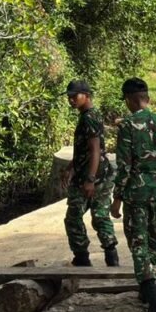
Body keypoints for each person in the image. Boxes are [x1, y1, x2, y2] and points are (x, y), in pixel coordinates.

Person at [110, 78, 156, 312]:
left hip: (137, 195)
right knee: (152, 239)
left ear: (129, 100)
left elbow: (125, 166)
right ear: (147, 98)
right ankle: (146, 290)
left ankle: (154, 302)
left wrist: (116, 198)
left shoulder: (127, 125)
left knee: (138, 245)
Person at [62, 80, 119, 267]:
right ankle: (112, 257)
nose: (71, 100)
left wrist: (90, 179)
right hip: (99, 173)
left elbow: (95, 150)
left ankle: (82, 258)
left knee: (73, 218)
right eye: (69, 97)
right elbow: (89, 149)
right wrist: (72, 165)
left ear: (86, 95)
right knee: (101, 215)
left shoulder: (88, 118)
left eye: (74, 96)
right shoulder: (92, 115)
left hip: (91, 176)